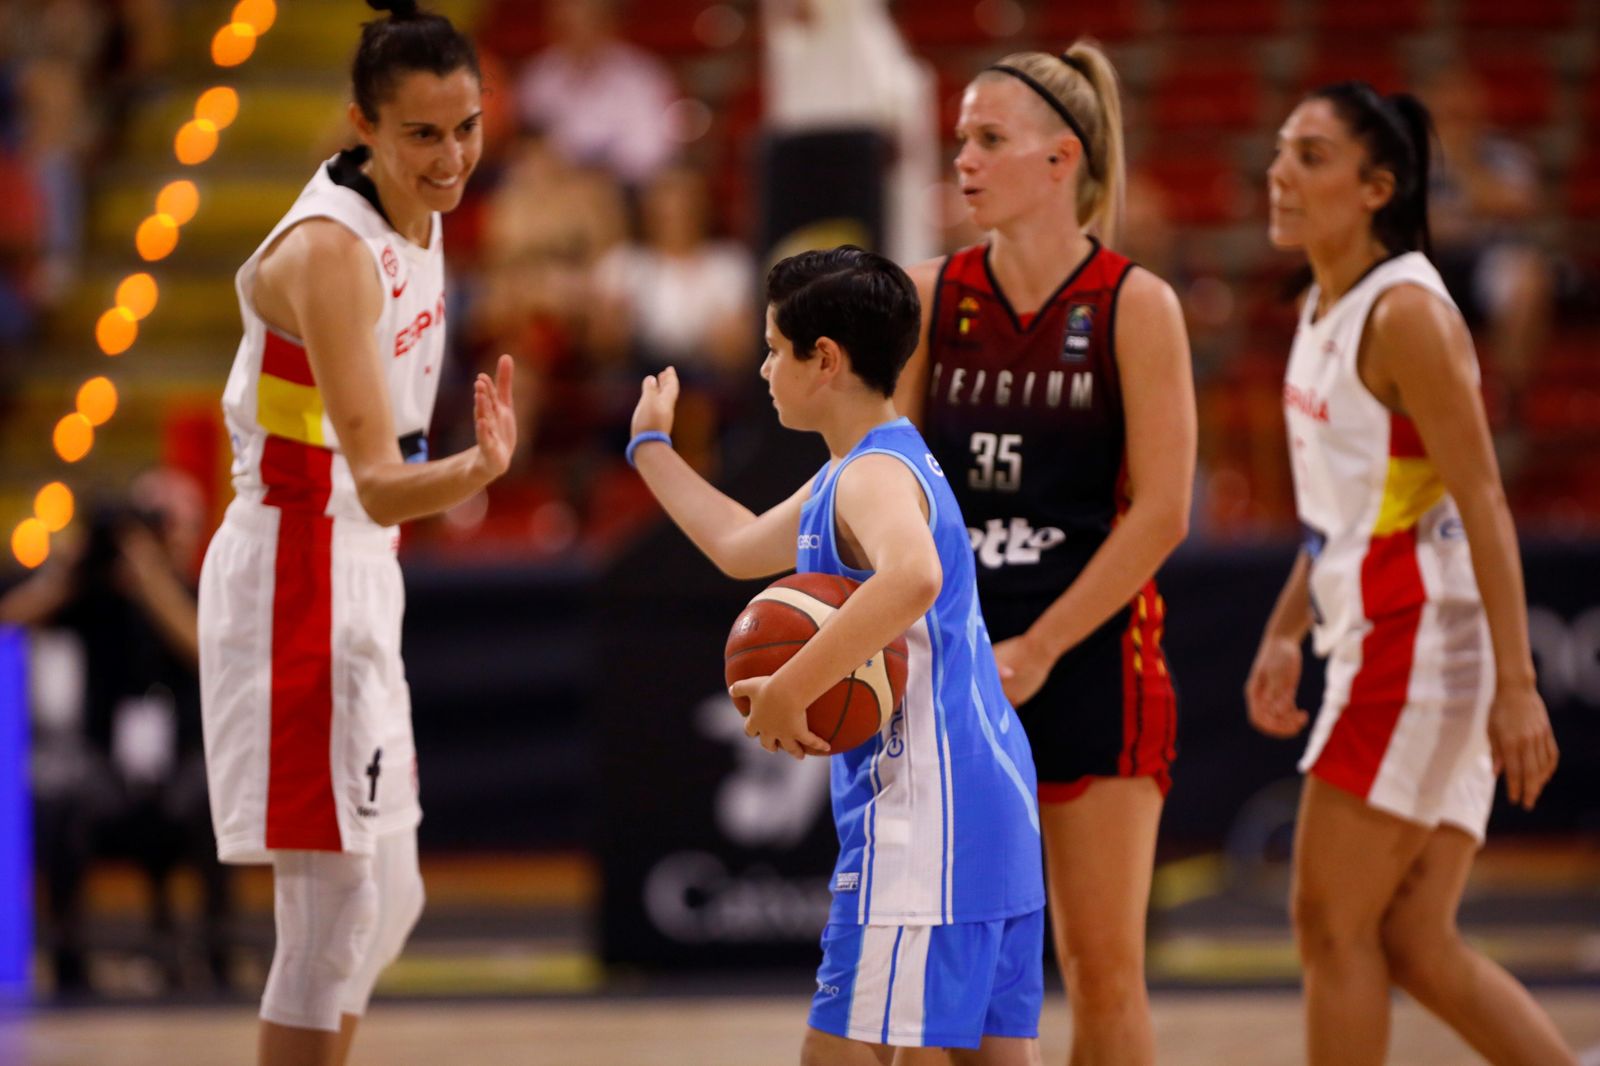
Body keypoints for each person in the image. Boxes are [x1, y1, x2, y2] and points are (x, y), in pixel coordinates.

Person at [629, 246, 1045, 1065]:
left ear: (825, 360)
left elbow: (914, 576)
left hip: (931, 809)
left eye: (775, 348)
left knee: (846, 1052)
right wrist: (652, 449)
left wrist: (792, 686)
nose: (762, 367)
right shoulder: (864, 467)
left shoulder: (870, 479)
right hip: (985, 796)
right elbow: (741, 546)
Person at [196, 3, 516, 1064]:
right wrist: (479, 467)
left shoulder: (421, 218)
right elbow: (378, 483)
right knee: (332, 915)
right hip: (299, 561)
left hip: (354, 565)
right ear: (362, 127)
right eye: (421, 134)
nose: (451, 155)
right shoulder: (332, 251)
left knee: (394, 895)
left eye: (464, 126)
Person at [1247, 81, 1573, 1066]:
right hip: (1381, 629)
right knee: (1410, 941)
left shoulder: (1406, 316)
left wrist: (1518, 686)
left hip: (1417, 641)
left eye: (1309, 156)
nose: (1279, 173)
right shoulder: (1319, 303)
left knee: (1327, 921)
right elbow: (1343, 511)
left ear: (1376, 186)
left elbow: (1482, 503)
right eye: (1278, 150)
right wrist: (1283, 625)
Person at [893, 42, 1196, 1066]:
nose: (964, 161)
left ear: (1061, 159)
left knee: (1102, 968)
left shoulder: (1132, 304)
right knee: (962, 977)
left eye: (988, 140)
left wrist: (1040, 647)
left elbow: (1160, 515)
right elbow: (888, 488)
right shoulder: (929, 297)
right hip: (954, 667)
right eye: (959, 141)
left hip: (1092, 661)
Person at [1, 469, 230, 995]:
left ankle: (216, 949)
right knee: (64, 800)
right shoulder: (93, 596)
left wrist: (153, 582)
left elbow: (203, 650)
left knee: (209, 800)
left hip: (181, 762)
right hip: (104, 765)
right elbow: (10, 622)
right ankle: (68, 956)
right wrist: (67, 577)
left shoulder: (193, 591)